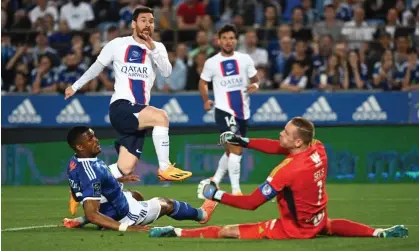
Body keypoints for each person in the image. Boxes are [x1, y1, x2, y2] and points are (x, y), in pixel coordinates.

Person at [149, 117, 408, 239]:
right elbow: (277, 146)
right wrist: (243, 141)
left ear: (297, 140)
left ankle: (176, 231)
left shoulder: (287, 171)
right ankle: (378, 232)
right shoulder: (318, 148)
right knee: (328, 225)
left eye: (285, 132)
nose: (280, 135)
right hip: (316, 219)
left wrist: (215, 194)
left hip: (293, 229)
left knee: (229, 231)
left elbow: (251, 203)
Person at [64, 6, 192, 215]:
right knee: (161, 117)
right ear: (134, 23)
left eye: (151, 21)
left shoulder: (156, 47)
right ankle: (165, 167)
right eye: (143, 20)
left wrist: (152, 48)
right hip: (122, 107)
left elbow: (167, 72)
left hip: (138, 112)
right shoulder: (118, 45)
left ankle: (77, 191)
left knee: (125, 168)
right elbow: (97, 66)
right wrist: (75, 86)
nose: (148, 24)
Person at [64, 126, 214, 232]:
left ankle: (83, 220)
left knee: (135, 194)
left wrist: (118, 179)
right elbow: (92, 212)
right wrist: (127, 228)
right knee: (167, 204)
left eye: (94, 135)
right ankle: (202, 214)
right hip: (124, 215)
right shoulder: (91, 172)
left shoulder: (75, 161)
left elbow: (89, 184)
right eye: (90, 139)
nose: (96, 140)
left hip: (112, 203)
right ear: (80, 147)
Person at [199, 24, 259, 197]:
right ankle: (236, 190)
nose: (228, 41)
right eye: (224, 38)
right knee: (236, 149)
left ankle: (214, 181)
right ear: (219, 41)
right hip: (224, 110)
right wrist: (205, 100)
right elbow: (203, 82)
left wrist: (255, 85)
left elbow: (256, 79)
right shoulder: (212, 62)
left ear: (236, 40)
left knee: (230, 151)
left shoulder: (245, 59)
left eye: (231, 38)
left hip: (243, 111)